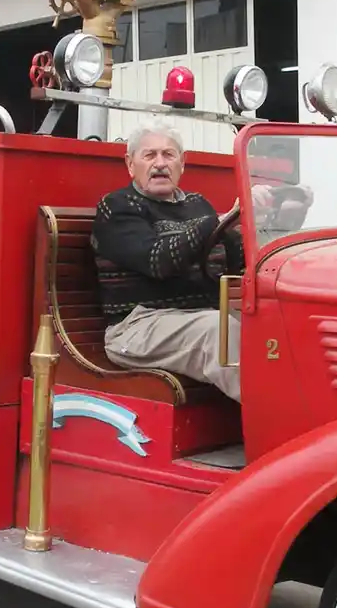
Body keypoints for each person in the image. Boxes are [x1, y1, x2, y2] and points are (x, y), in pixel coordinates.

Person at [90, 126, 271, 402]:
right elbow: (158, 261)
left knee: (274, 326)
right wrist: (224, 219)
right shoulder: (117, 207)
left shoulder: (198, 204)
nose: (160, 163)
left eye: (168, 155)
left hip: (198, 317)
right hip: (136, 326)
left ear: (182, 163)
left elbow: (236, 265)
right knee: (219, 332)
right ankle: (277, 424)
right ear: (130, 164)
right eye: (149, 155)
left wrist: (259, 223)